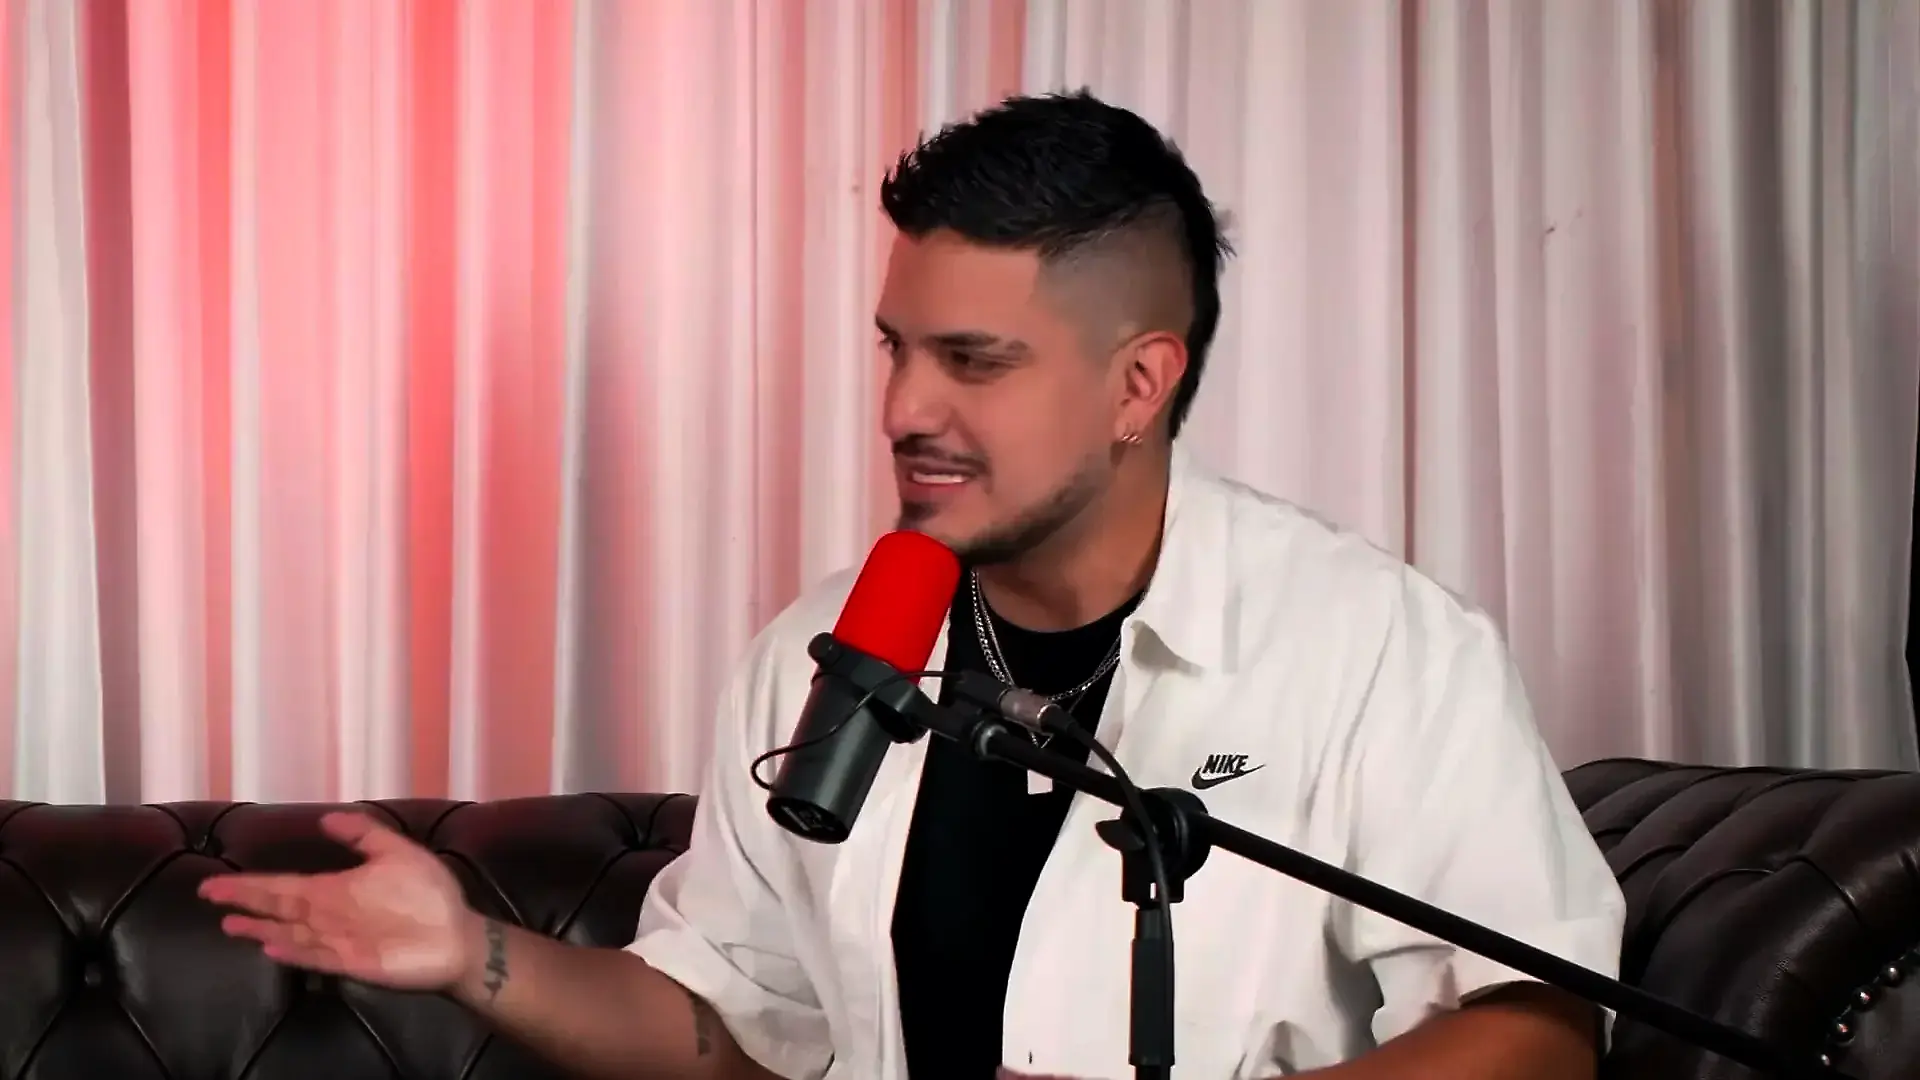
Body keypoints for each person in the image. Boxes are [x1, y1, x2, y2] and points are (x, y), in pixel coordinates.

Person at [198, 91, 1626, 1080]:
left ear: (1139, 384)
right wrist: (473, 956)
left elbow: (1537, 1030)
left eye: (974, 363)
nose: (904, 409)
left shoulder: (1376, 648)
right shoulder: (823, 651)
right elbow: (727, 1028)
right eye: (897, 348)